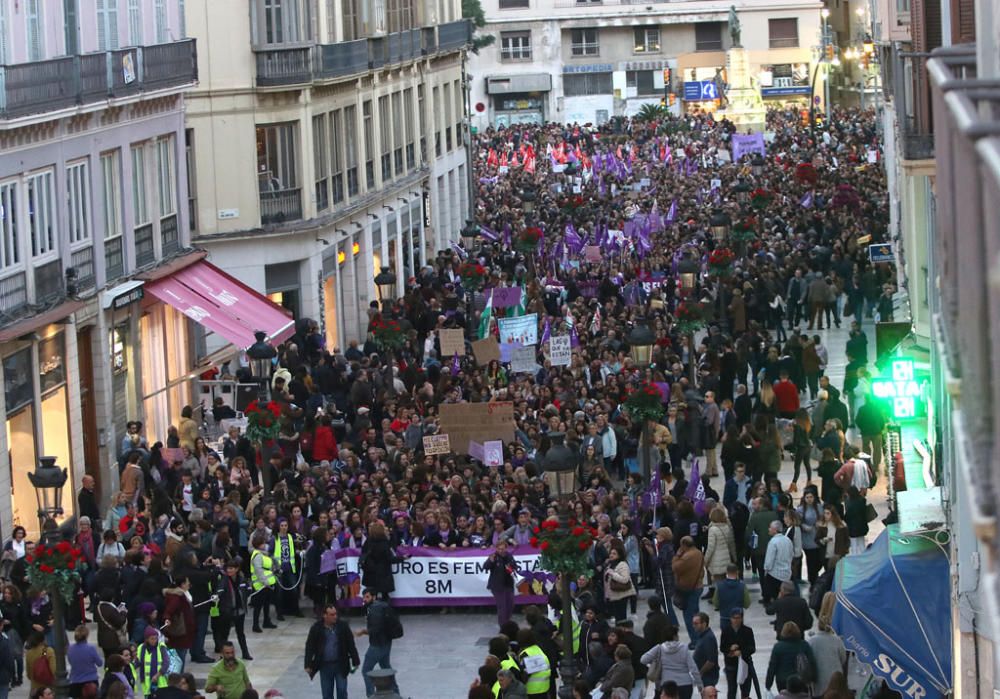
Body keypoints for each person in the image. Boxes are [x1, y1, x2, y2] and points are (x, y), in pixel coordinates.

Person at [304, 605, 359, 699]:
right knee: (327, 694)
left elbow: (350, 644)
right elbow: (310, 647)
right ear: (325, 615)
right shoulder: (316, 628)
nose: (335, 617)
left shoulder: (343, 626)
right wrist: (308, 664)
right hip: (324, 666)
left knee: (342, 690)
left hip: (340, 664)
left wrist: (355, 660)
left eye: (335, 614)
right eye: (332, 615)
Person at [356, 589, 400, 697]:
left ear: (374, 597)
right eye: (364, 597)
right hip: (386, 642)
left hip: (377, 645)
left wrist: (362, 631)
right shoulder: (382, 606)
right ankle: (395, 692)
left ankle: (371, 695)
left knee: (366, 670)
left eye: (367, 597)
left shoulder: (374, 609)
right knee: (386, 667)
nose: (365, 599)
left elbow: (374, 630)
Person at [640, 625, 703, 699]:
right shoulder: (684, 648)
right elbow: (693, 668)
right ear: (675, 636)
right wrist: (699, 684)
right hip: (685, 684)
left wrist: (655, 661)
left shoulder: (659, 648)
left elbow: (643, 660)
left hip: (667, 685)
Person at [765, 622, 815, 693]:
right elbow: (811, 663)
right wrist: (812, 680)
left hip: (782, 681)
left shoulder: (778, 647)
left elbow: (772, 667)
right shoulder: (804, 645)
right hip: (801, 680)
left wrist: (768, 685)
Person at [671, 536, 704, 642]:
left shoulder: (687, 556)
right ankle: (699, 637)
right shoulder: (698, 553)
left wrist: (677, 555)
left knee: (689, 616)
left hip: (688, 588)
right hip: (698, 586)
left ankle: (695, 640)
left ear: (684, 545)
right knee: (696, 613)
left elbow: (675, 567)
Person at [720, 609, 756, 699]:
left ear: (742, 618)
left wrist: (741, 652)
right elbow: (722, 647)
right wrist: (730, 649)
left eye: (738, 618)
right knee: (732, 690)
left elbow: (752, 648)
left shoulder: (747, 631)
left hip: (744, 665)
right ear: (730, 619)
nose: (736, 620)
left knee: (745, 691)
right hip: (731, 666)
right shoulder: (726, 631)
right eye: (734, 618)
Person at [808, 616, 847, 696]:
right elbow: (843, 658)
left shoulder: (812, 641)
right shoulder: (837, 640)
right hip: (835, 676)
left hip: (819, 677)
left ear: (818, 626)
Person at [484, 538, 519, 627]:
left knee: (510, 606)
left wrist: (511, 566)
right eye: (499, 549)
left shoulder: (509, 556)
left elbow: (515, 567)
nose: (500, 551)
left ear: (506, 548)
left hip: (508, 584)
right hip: (497, 586)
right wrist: (490, 561)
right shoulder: (493, 556)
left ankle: (507, 623)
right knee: (502, 607)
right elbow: (485, 566)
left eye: (502, 549)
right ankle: (503, 626)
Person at [249, 535, 278, 633]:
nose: (265, 545)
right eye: (263, 543)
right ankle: (255, 625)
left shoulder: (263, 554)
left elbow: (267, 568)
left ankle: (266, 621)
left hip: (267, 584)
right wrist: (265, 582)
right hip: (261, 585)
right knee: (258, 606)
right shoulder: (257, 556)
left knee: (266, 604)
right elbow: (258, 570)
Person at [762, 521, 792, 607]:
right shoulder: (788, 540)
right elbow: (791, 554)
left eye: (770, 527)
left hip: (774, 573)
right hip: (786, 572)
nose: (769, 529)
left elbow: (769, 559)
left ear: (775, 530)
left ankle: (773, 606)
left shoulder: (773, 542)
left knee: (773, 594)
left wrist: (766, 569)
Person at [603, 545, 636, 625]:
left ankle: (621, 632)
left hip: (622, 594)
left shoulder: (622, 565)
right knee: (617, 617)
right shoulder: (610, 564)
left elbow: (625, 579)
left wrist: (613, 573)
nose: (611, 555)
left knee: (621, 617)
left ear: (619, 555)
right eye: (611, 553)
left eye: (614, 554)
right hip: (613, 596)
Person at [712, 564, 749, 631]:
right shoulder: (742, 586)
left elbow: (715, 602)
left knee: (725, 639)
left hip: (724, 617)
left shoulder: (719, 586)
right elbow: (747, 603)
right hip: (738, 618)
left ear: (727, 572)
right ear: (737, 572)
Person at [516, 629, 551, 699]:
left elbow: (524, 676)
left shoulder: (526, 654)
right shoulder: (538, 649)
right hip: (544, 689)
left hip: (532, 691)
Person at [136, 627, 170, 697]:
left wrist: (157, 675)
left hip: (160, 682)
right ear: (147, 639)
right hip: (147, 684)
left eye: (156, 638)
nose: (154, 641)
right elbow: (137, 662)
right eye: (152, 639)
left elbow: (166, 663)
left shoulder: (161, 647)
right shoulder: (141, 648)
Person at [690, 613, 719, 691]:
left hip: (708, 677)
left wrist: (700, 673)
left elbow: (711, 661)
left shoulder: (709, 638)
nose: (693, 626)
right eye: (693, 623)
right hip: (704, 676)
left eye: (696, 623)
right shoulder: (702, 635)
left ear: (704, 623)